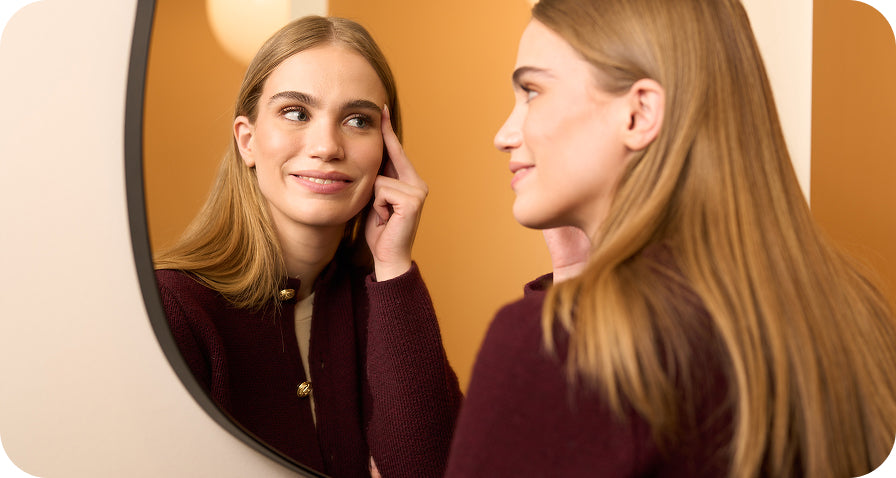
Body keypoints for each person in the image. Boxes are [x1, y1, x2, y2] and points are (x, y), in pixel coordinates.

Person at [446, 0, 896, 477]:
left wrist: (569, 311)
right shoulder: (860, 315)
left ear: (639, 113)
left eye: (532, 91)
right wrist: (576, 280)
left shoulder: (558, 347)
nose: (504, 134)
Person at [153, 16, 461, 478]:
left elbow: (436, 470)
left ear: (386, 152)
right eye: (296, 112)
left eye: (358, 121)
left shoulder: (388, 304)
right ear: (248, 139)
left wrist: (394, 266)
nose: (326, 146)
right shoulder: (173, 308)